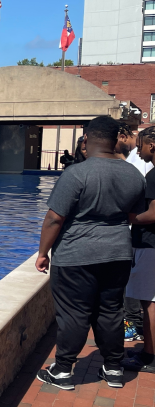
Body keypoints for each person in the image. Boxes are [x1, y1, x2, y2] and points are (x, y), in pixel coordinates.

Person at [36, 116, 146, 390]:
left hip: (76, 255)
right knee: (111, 310)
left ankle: (63, 371)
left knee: (74, 313)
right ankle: (113, 369)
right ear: (116, 139)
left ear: (86, 138)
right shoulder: (133, 174)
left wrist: (43, 252)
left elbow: (54, 218)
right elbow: (134, 216)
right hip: (118, 253)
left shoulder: (76, 173)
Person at [126, 126, 155, 373]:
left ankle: (149, 356)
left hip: (150, 245)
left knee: (150, 303)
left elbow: (153, 214)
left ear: (152, 146)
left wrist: (127, 217)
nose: (138, 151)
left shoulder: (154, 175)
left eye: (140, 146)